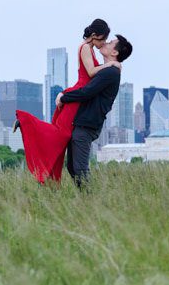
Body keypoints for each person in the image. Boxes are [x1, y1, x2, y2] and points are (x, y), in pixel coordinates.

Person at [14, 19, 120, 183]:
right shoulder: (85, 47)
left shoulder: (89, 49)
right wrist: (112, 64)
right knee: (59, 133)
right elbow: (91, 73)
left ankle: (26, 123)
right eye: (103, 39)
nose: (104, 43)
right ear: (94, 36)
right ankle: (26, 121)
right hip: (79, 95)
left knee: (61, 134)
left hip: (80, 96)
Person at [56, 34, 133, 187]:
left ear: (115, 53)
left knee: (80, 168)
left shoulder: (110, 73)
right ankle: (85, 201)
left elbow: (86, 92)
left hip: (87, 126)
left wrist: (63, 97)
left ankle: (89, 200)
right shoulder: (106, 70)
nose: (106, 42)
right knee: (72, 168)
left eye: (111, 42)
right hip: (83, 124)